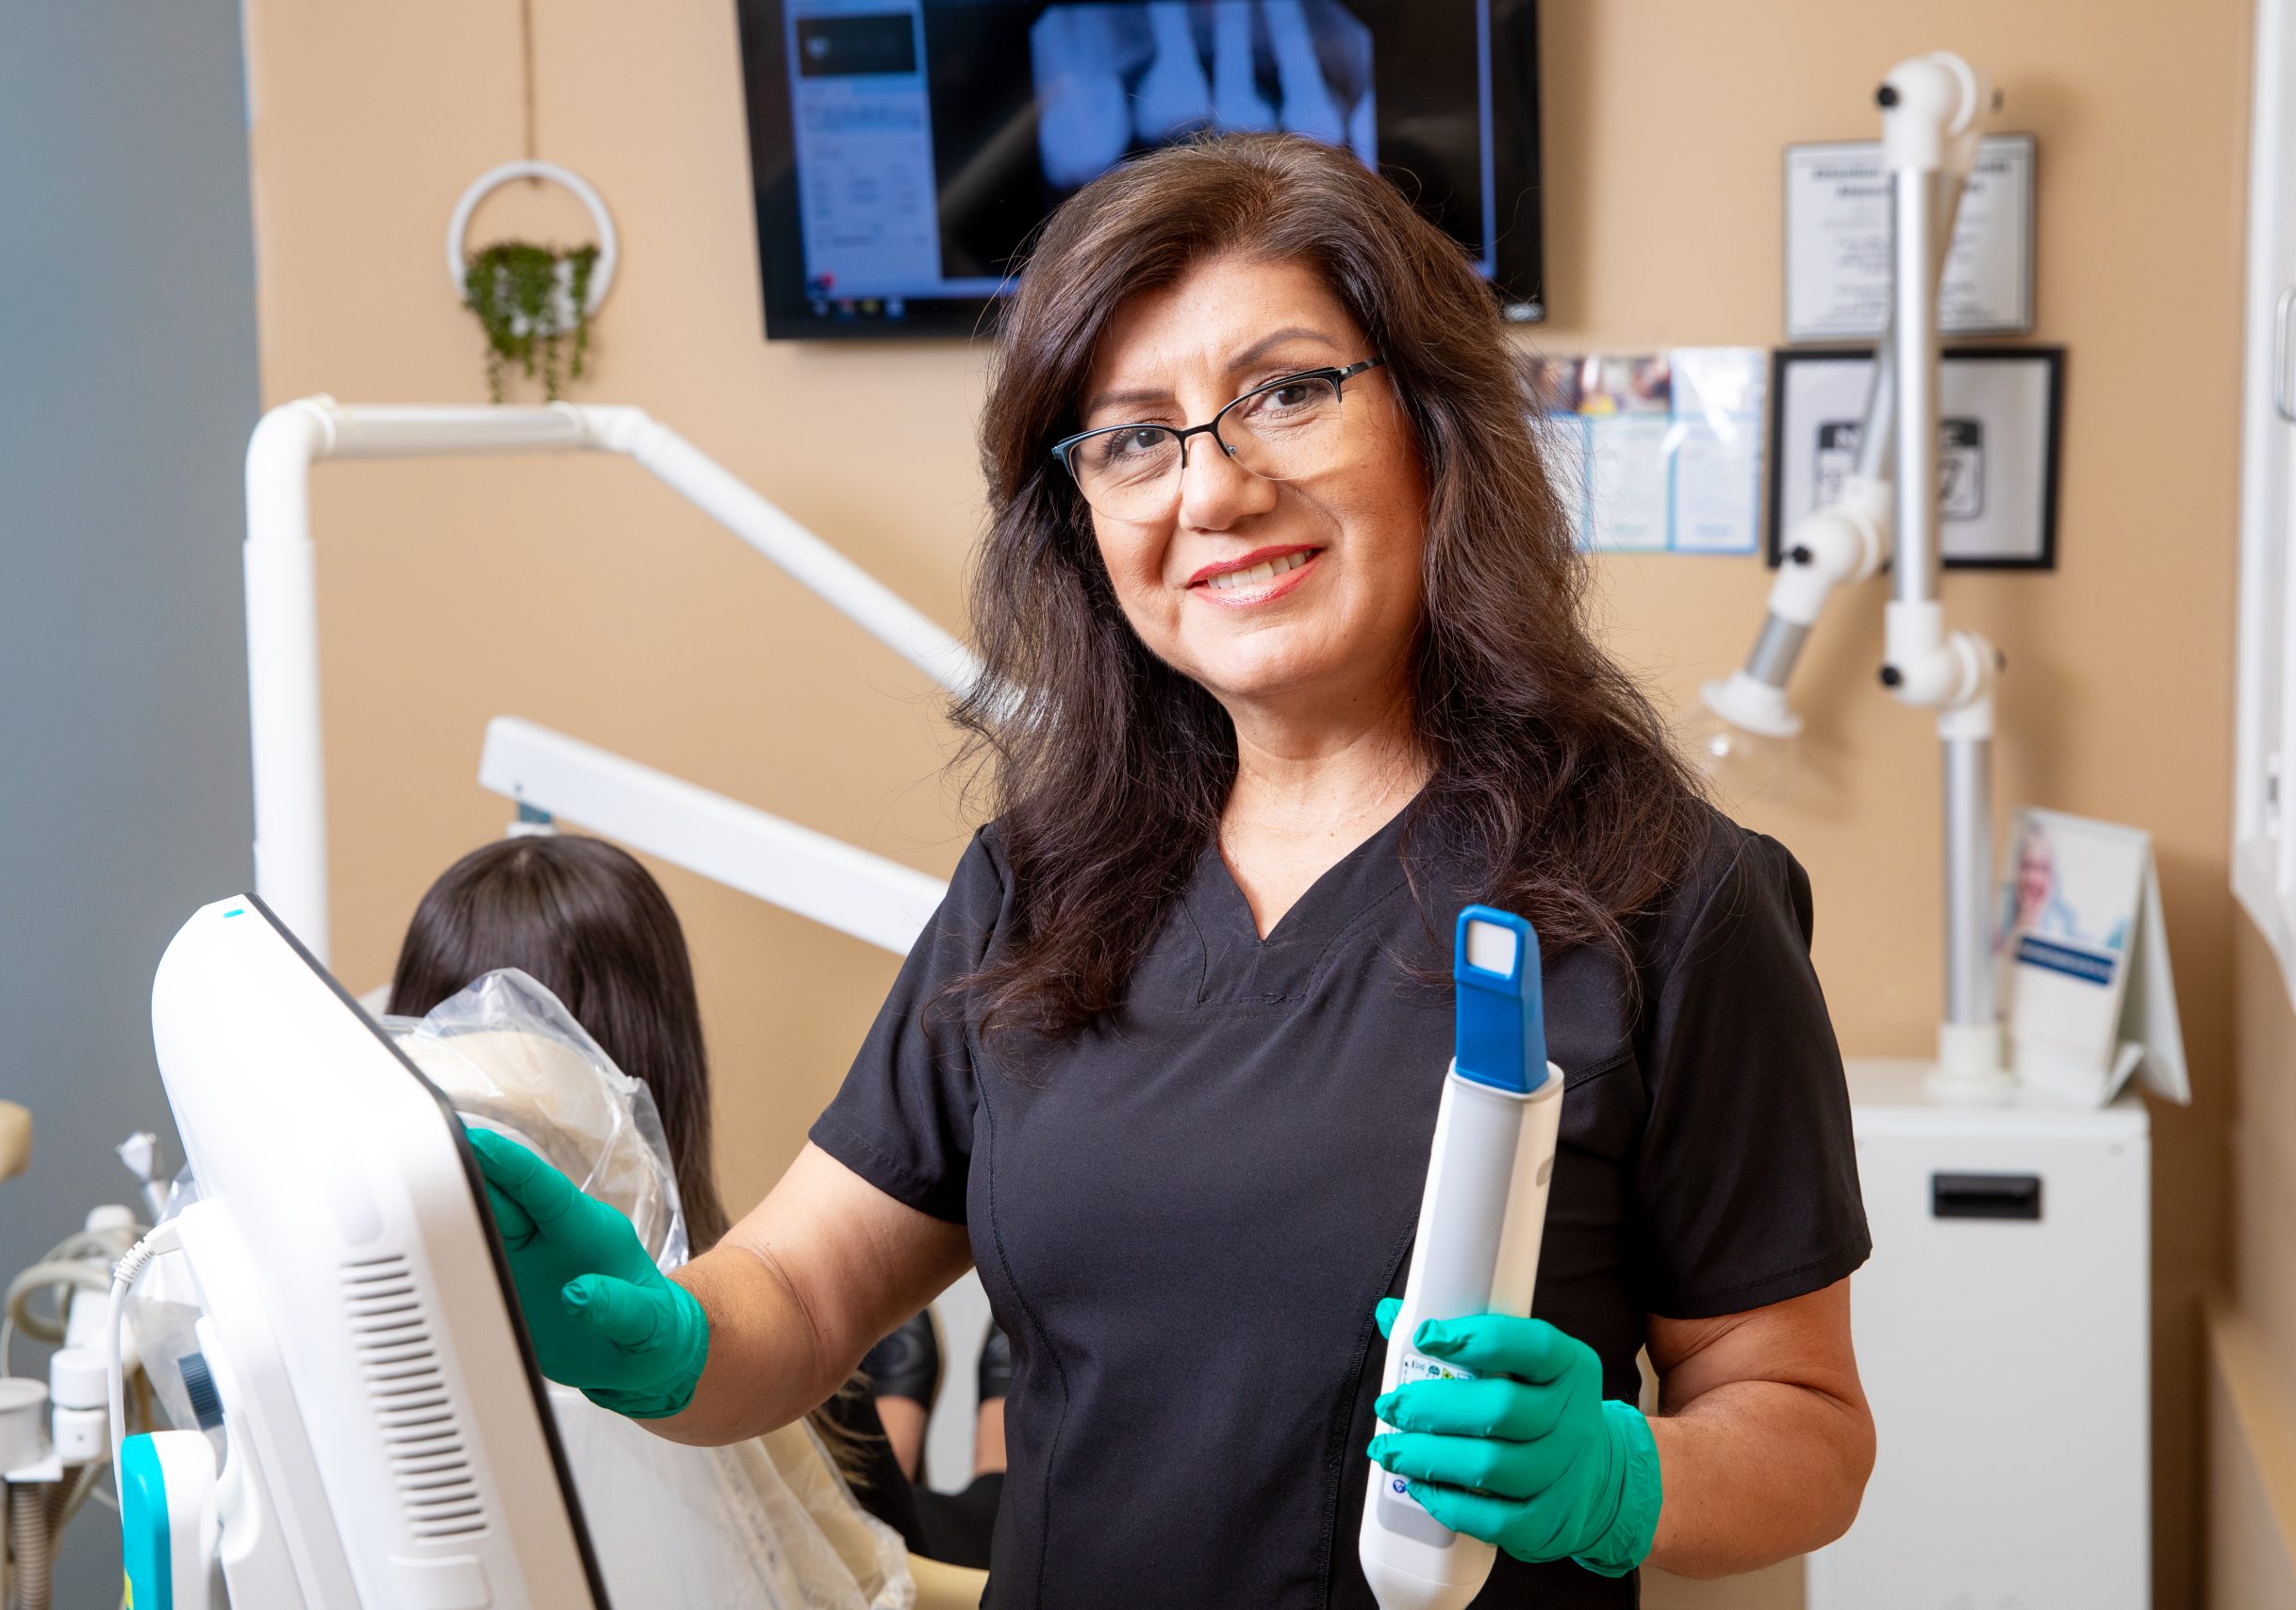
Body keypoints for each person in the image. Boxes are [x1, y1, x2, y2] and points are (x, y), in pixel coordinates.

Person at [470, 133, 1875, 1606]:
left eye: (1287, 390)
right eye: (1135, 435)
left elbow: (1807, 1427)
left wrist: (1615, 1474)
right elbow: (803, 1292)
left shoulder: (1662, 892)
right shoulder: (1039, 883)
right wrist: (656, 1331)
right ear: (1083, 518)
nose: (1216, 489)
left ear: (1434, 428)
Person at [388, 834, 1007, 1568]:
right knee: (975, 1492)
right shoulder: (731, 1362)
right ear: (662, 1062)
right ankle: (972, 1434)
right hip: (883, 1561)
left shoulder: (380, 1363)